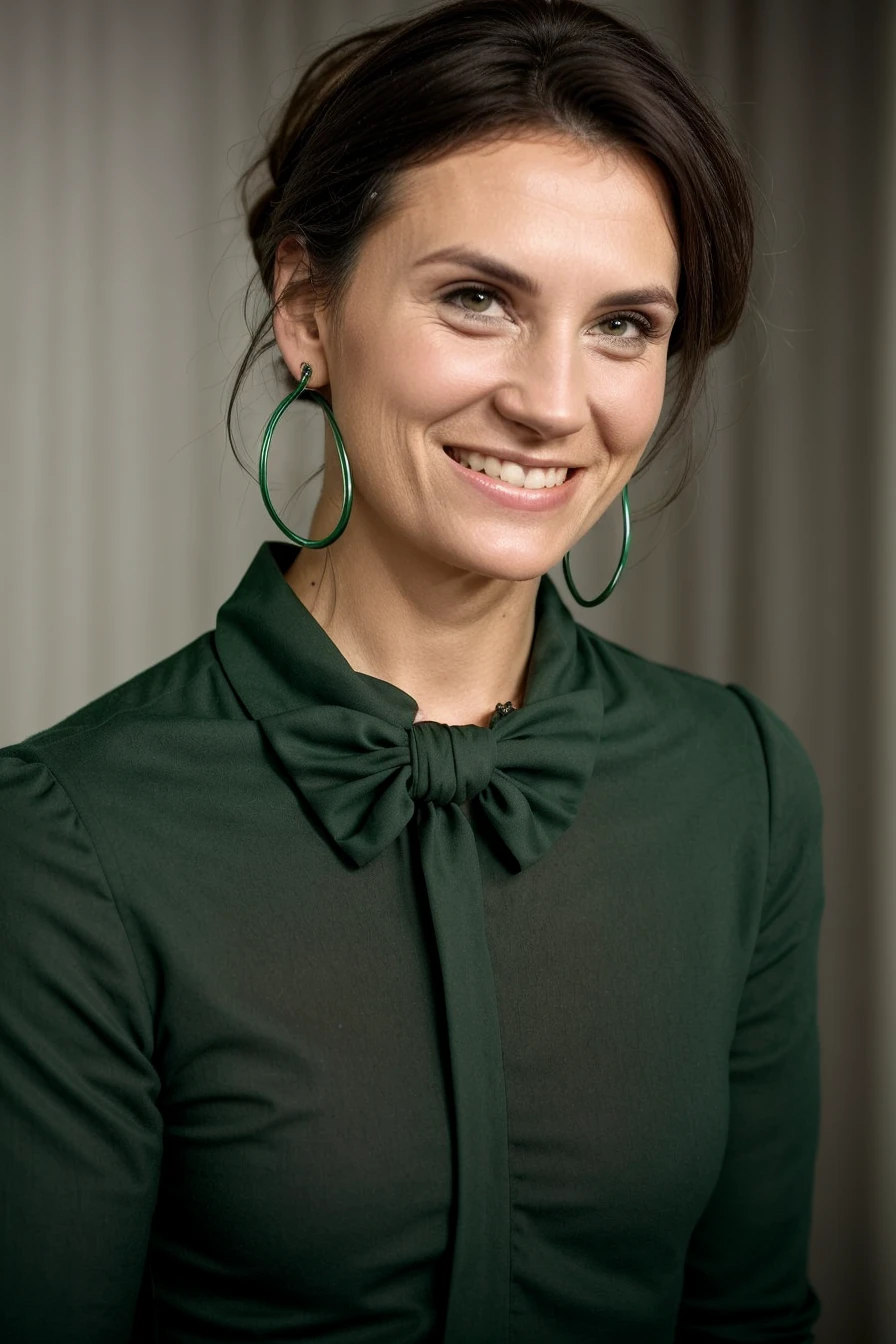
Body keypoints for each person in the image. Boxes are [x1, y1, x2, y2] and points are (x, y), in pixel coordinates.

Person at [0, 1, 825, 1340]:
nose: (553, 402)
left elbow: (752, 1316)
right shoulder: (64, 837)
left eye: (624, 325)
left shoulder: (742, 785)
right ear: (306, 311)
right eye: (477, 300)